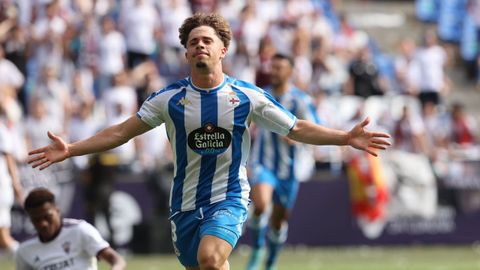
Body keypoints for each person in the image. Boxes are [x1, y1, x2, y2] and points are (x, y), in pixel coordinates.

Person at [28, 13, 391, 270]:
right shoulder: (167, 99)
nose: (199, 45)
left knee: (210, 259)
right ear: (186, 54)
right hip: (184, 204)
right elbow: (121, 132)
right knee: (205, 264)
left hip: (229, 196)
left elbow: (295, 128)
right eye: (192, 42)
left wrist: (345, 137)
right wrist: (72, 149)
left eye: (207, 40)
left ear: (222, 51)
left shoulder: (248, 97)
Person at [246, 53, 320, 270]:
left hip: (288, 169)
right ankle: (258, 249)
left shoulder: (300, 100)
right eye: (273, 67)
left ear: (290, 72)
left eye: (280, 68)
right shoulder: (260, 95)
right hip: (262, 163)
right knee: (260, 204)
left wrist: (296, 139)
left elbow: (314, 126)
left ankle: (270, 262)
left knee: (279, 221)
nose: (275, 72)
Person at [15, 187, 126, 270]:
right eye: (36, 219)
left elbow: (116, 259)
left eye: (47, 217)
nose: (43, 224)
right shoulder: (25, 249)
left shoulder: (80, 230)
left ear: (57, 211)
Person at [0, 107, 23, 257]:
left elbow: (9, 159)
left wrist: (16, 184)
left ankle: (32, 259)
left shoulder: (1, 129)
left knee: (3, 237)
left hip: (1, 186)